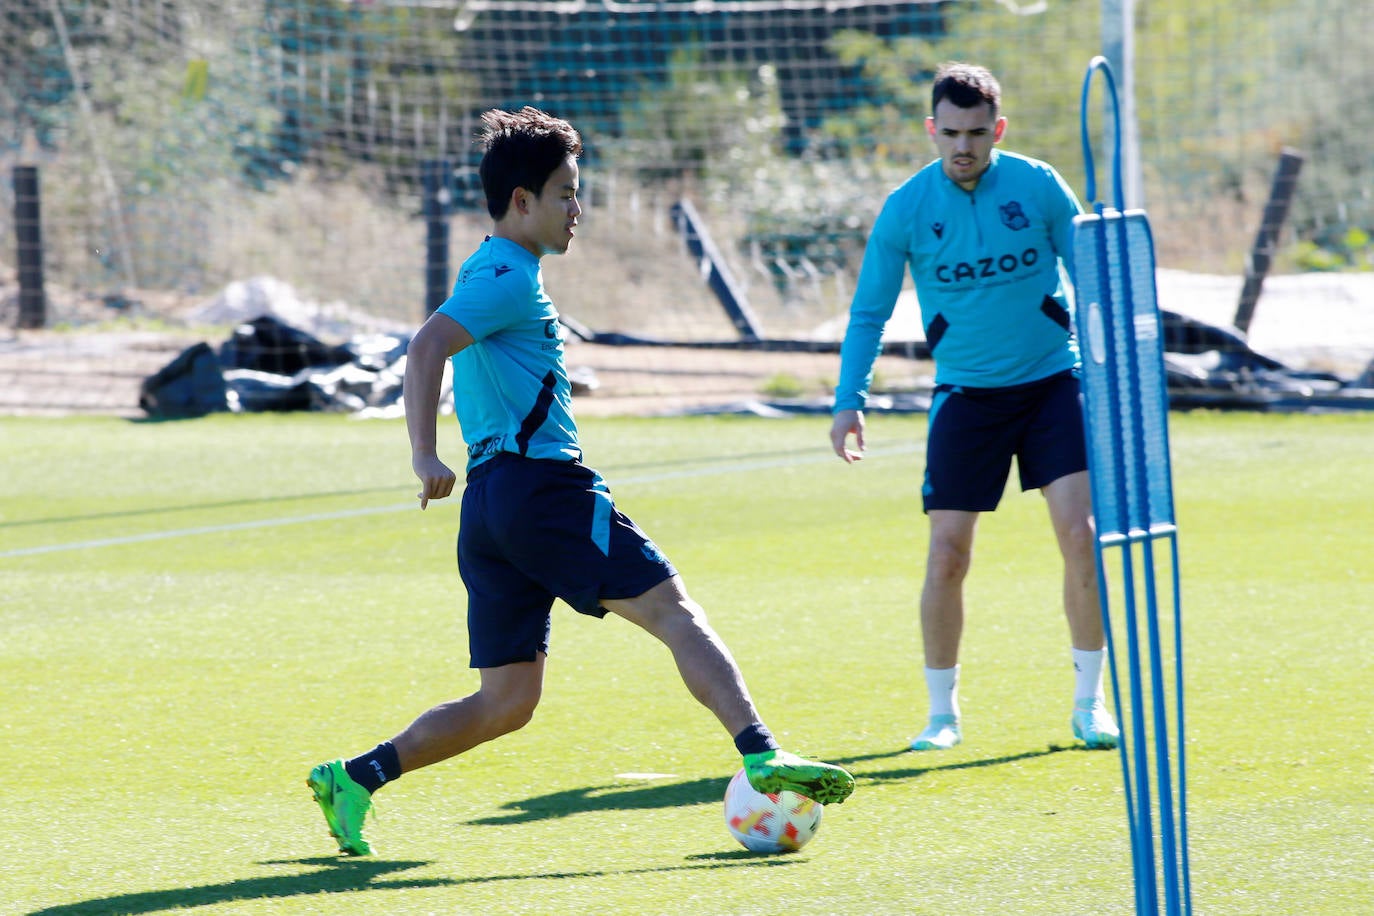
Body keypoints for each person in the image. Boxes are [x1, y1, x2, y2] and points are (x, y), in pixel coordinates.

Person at [307, 106, 855, 856]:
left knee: (507, 701)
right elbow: (428, 342)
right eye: (565, 191)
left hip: (492, 505)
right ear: (522, 201)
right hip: (544, 492)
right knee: (674, 611)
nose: (578, 208)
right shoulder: (506, 277)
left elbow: (469, 351)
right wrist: (422, 453)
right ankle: (762, 752)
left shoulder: (487, 266)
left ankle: (356, 777)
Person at [828, 63, 1120, 753]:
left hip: (1053, 383)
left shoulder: (1039, 186)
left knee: (1081, 535)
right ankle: (941, 715)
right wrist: (849, 401)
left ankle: (1090, 704)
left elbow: (1096, 283)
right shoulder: (906, 208)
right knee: (948, 554)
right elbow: (869, 311)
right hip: (965, 396)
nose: (963, 146)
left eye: (977, 133)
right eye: (951, 132)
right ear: (932, 129)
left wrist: (1115, 370)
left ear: (999, 129)